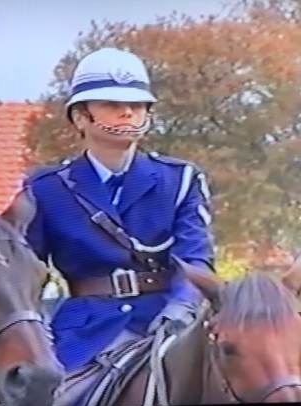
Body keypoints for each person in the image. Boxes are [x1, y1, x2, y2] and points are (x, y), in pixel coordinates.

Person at [22, 48, 215, 373]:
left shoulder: (180, 179)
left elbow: (196, 259)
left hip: (166, 322)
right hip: (84, 333)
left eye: (137, 105)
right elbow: (26, 271)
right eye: (111, 104)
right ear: (80, 117)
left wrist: (182, 308)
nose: (127, 113)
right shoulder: (46, 188)